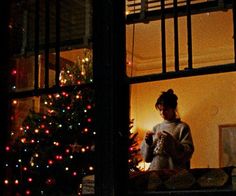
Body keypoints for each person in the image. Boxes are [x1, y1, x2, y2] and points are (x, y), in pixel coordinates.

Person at [140, 89, 194, 170]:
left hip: (174, 176)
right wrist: (148, 144)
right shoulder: (156, 128)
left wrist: (170, 141)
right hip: (155, 174)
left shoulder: (182, 127)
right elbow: (147, 159)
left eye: (165, 109)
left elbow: (187, 153)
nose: (162, 113)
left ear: (173, 109)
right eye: (160, 110)